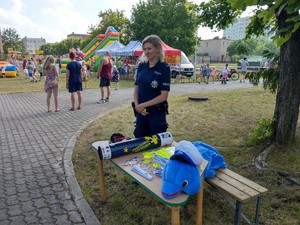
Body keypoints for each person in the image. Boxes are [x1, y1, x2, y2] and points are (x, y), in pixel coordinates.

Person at [133, 34, 170, 138]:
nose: (146, 52)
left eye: (149, 48)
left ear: (158, 48)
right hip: (141, 113)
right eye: (144, 49)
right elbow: (136, 88)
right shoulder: (141, 66)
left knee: (156, 148)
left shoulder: (164, 68)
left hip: (156, 116)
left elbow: (164, 96)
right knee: (139, 143)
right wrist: (137, 106)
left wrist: (143, 105)